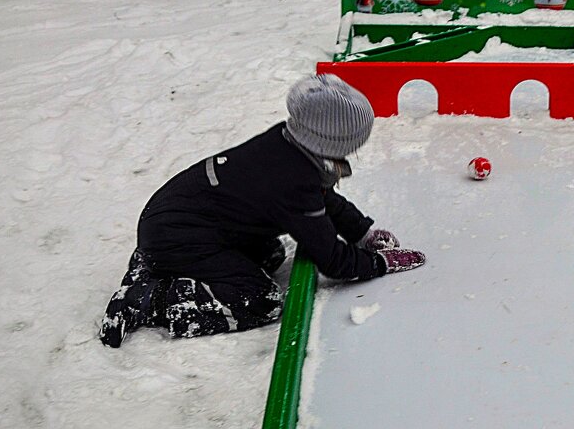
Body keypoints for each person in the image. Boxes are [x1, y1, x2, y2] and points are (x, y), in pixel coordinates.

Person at [98, 74, 425, 347]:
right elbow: (332, 261)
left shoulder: (289, 143)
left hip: (176, 220)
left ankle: (157, 262)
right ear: (335, 141)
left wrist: (362, 233)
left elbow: (323, 198)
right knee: (259, 301)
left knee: (269, 254)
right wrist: (377, 263)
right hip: (177, 235)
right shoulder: (292, 180)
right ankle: (149, 299)